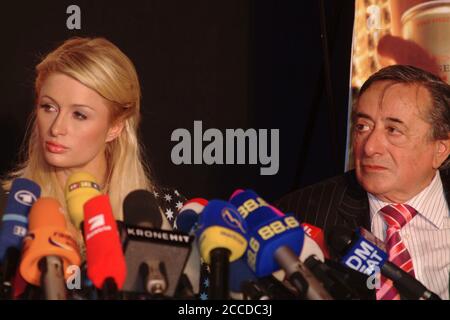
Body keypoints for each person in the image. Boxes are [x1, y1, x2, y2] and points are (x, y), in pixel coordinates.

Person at [276, 64, 450, 299]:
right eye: (362, 127)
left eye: (393, 130)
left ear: (440, 149)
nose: (369, 147)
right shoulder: (301, 213)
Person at [1, 37, 175, 231]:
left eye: (79, 115)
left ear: (115, 127)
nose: (56, 128)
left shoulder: (165, 213)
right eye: (48, 107)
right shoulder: (9, 213)